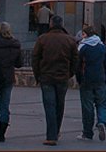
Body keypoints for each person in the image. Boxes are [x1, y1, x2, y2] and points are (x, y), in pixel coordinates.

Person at [32, 14, 79, 146]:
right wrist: (70, 73)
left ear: (51, 24)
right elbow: (75, 59)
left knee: (49, 106)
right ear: (62, 24)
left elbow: (35, 58)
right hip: (62, 76)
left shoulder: (42, 39)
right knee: (60, 105)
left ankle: (51, 135)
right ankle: (56, 130)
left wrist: (37, 75)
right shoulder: (70, 40)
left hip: (46, 76)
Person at [76, 24, 106, 142]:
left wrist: (79, 79)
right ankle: (101, 122)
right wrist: (105, 78)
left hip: (87, 79)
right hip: (100, 79)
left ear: (86, 35)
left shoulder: (83, 47)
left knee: (87, 106)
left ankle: (87, 133)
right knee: (102, 103)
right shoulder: (102, 47)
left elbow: (78, 65)